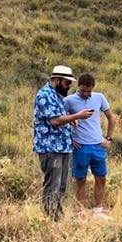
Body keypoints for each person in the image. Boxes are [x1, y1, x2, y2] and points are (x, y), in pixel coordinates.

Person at [33, 65, 93, 220]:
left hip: (62, 146)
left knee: (61, 186)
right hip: (50, 147)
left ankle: (57, 217)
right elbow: (55, 120)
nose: (69, 86)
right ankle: (51, 218)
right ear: (57, 80)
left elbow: (60, 116)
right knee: (53, 185)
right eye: (67, 83)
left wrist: (70, 119)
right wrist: (77, 116)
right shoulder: (45, 95)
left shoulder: (57, 95)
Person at [64, 73, 117, 221]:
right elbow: (60, 120)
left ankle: (98, 211)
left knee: (101, 178)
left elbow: (111, 118)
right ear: (78, 86)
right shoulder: (69, 100)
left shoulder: (99, 97)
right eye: (83, 91)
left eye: (89, 91)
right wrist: (69, 139)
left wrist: (108, 138)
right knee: (80, 180)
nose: (86, 94)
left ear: (93, 88)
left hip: (98, 145)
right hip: (80, 147)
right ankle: (80, 213)